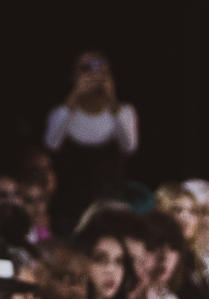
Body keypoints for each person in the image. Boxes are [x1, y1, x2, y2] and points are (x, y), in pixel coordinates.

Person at [43, 51, 139, 230]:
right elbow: (51, 144)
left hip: (107, 206)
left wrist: (112, 99)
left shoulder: (124, 112)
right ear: (72, 75)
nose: (93, 75)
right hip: (67, 208)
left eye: (101, 70)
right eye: (85, 69)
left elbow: (129, 147)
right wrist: (73, 98)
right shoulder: (60, 112)